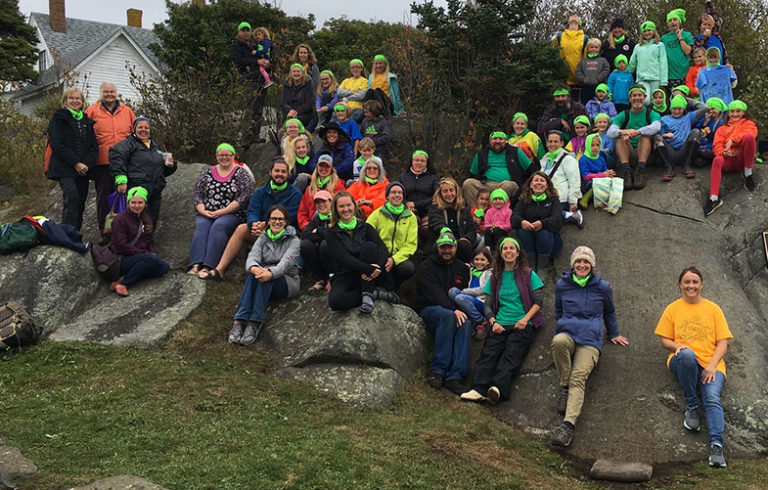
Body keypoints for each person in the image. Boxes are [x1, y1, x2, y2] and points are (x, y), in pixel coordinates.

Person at [549, 246, 628, 447]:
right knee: (558, 342)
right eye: (578, 262)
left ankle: (567, 426)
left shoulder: (602, 287)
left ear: (592, 265)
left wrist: (614, 334)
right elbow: (558, 309)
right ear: (573, 264)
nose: (582, 265)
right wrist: (562, 324)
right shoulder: (562, 285)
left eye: (586, 262)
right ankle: (565, 386)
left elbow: (609, 312)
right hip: (567, 333)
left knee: (579, 376)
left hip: (590, 340)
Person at [654, 266, 732, 468]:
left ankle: (716, 446)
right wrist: (677, 345)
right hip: (682, 361)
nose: (691, 285)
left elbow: (723, 342)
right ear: (680, 285)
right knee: (687, 355)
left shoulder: (714, 309)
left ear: (701, 285)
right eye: (687, 282)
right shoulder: (672, 309)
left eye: (695, 282)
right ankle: (692, 407)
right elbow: (664, 340)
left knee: (712, 398)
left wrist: (712, 366)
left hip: (711, 365)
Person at [460, 237, 544, 404]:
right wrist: (492, 322)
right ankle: (478, 389)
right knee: (488, 354)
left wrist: (524, 320)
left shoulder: (528, 274)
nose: (508, 251)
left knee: (511, 354)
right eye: (505, 248)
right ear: (500, 253)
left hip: (522, 324)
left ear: (518, 253)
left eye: (512, 248)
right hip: (500, 323)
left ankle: (498, 389)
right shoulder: (495, 277)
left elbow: (538, 302)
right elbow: (488, 304)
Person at [203, 157, 302, 280]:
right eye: (277, 171)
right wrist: (254, 224)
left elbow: (290, 217)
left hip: (283, 235)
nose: (279, 174)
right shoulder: (260, 192)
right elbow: (252, 211)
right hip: (260, 231)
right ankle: (219, 270)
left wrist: (266, 225)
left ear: (288, 175)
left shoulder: (295, 194)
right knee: (241, 228)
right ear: (270, 172)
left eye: (283, 172)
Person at [230, 205, 299, 346]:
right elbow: (252, 257)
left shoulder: (294, 241)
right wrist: (254, 268)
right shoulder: (263, 237)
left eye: (281, 219)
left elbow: (285, 264)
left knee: (265, 277)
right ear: (268, 221)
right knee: (254, 275)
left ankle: (254, 322)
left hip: (286, 282)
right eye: (274, 218)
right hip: (264, 276)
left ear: (286, 222)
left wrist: (269, 273)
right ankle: (240, 320)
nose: (277, 222)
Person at [416, 227, 472, 394]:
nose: (447, 250)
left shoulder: (462, 268)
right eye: (443, 247)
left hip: (455, 311)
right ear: (437, 248)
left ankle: (455, 376)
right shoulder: (426, 266)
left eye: (450, 247)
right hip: (429, 309)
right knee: (448, 316)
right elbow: (434, 294)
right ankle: (438, 371)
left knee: (466, 324)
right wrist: (454, 310)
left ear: (455, 247)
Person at [322, 191, 398, 313]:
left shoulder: (365, 227)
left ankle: (367, 294)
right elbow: (342, 257)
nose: (346, 209)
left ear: (354, 206)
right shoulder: (331, 232)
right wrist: (367, 269)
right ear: (335, 209)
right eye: (341, 206)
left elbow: (383, 249)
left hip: (372, 275)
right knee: (335, 302)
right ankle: (374, 293)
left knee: (370, 246)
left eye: (348, 205)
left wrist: (375, 269)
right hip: (347, 273)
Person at [188, 143, 253, 278]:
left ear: (233, 156)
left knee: (219, 226)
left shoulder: (241, 173)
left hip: (232, 213)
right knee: (202, 225)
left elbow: (244, 197)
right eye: (221, 155)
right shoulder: (207, 172)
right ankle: (195, 263)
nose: (224, 158)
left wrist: (222, 212)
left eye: (227, 155)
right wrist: (203, 211)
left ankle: (209, 265)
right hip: (207, 212)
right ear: (217, 156)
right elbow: (197, 194)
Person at [85, 81, 136, 243]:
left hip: (125, 162)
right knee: (104, 199)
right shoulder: (92, 111)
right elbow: (84, 135)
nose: (109, 94)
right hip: (102, 162)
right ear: (101, 93)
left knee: (126, 197)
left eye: (112, 92)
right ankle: (106, 232)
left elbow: (136, 134)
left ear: (116, 93)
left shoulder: (127, 111)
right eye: (106, 92)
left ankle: (125, 232)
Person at [46, 87, 98, 230]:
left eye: (78, 98)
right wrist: (76, 163)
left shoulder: (87, 121)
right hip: (64, 167)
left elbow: (94, 147)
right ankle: (66, 233)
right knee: (72, 196)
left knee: (81, 202)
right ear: (65, 101)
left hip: (83, 170)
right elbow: (57, 144)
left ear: (82, 102)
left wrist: (86, 164)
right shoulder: (59, 118)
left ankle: (75, 234)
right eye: (71, 98)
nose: (75, 101)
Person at [109, 116, 176, 227]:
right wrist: (121, 179)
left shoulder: (155, 147)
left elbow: (163, 170)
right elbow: (117, 159)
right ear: (134, 129)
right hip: (136, 188)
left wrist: (171, 165)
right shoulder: (127, 144)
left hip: (155, 189)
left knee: (151, 221)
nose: (143, 130)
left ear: (150, 130)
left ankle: (146, 242)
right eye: (140, 127)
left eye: (146, 127)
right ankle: (129, 243)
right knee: (133, 220)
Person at [108, 186, 169, 297]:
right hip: (122, 258)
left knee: (164, 267)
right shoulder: (120, 220)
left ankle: (126, 277)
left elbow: (149, 241)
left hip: (141, 257)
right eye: (133, 202)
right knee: (150, 260)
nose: (137, 206)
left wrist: (152, 252)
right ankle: (124, 284)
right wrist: (143, 253)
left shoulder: (147, 220)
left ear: (145, 203)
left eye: (140, 202)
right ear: (128, 203)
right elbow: (120, 245)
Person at [704, 100, 758, 215]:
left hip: (741, 161)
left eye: (738, 111)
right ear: (728, 113)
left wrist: (733, 139)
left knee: (749, 138)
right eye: (732, 112)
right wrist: (723, 152)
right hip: (728, 161)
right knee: (717, 159)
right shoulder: (722, 129)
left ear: (743, 112)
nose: (735, 114)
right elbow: (717, 145)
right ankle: (714, 198)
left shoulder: (748, 123)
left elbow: (752, 133)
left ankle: (748, 173)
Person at [606, 85, 662, 190]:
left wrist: (637, 132)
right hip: (630, 153)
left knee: (644, 136)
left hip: (647, 154)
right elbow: (610, 132)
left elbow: (656, 126)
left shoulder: (651, 113)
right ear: (630, 98)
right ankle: (627, 171)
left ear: (644, 97)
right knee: (620, 137)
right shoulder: (624, 115)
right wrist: (625, 131)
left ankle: (641, 170)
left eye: (640, 95)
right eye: (634, 95)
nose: (637, 98)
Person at [463, 129, 536, 207]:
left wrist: (526, 188)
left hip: (506, 185)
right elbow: (472, 174)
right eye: (494, 139)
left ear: (505, 140)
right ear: (490, 141)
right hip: (485, 185)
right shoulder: (481, 154)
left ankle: (495, 213)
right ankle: (476, 213)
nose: (497, 141)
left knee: (509, 185)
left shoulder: (516, 152)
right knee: (468, 183)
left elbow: (532, 170)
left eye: (501, 139)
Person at [366, 182, 418, 289]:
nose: (397, 195)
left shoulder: (411, 217)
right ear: (387, 196)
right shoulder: (377, 214)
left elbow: (411, 244)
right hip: (380, 255)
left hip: (398, 258)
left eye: (400, 192)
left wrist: (394, 259)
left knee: (408, 268)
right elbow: (367, 233)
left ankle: (394, 288)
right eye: (393, 192)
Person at [510, 172, 563, 270]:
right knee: (522, 230)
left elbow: (558, 218)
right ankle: (529, 264)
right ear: (530, 184)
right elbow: (514, 217)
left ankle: (543, 266)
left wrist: (542, 223)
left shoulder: (553, 200)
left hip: (548, 240)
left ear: (547, 185)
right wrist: (522, 222)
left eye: (542, 181)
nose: (539, 183)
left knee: (543, 232)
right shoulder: (523, 200)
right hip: (528, 239)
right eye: (536, 180)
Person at [230, 22, 269, 147]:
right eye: (243, 30)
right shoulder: (236, 46)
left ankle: (255, 135)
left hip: (260, 79)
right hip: (247, 79)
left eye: (248, 30)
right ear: (239, 32)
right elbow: (238, 61)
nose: (246, 32)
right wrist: (257, 61)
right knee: (250, 107)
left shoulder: (255, 45)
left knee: (259, 108)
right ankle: (246, 138)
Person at [658, 95, 708, 181]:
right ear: (670, 109)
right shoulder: (663, 119)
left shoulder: (689, 117)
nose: (677, 111)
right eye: (674, 108)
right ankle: (669, 167)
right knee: (657, 138)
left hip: (685, 151)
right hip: (670, 152)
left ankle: (686, 164)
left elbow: (705, 108)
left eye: (680, 109)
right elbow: (659, 136)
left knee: (695, 132)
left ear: (684, 109)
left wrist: (687, 100)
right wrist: (665, 135)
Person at [428, 177, 476, 263]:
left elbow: (472, 229)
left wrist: (467, 238)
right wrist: (448, 234)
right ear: (440, 193)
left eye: (451, 190)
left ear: (456, 191)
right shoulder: (435, 209)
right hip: (443, 242)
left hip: (460, 245)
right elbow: (437, 223)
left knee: (464, 246)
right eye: (445, 191)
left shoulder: (464, 210)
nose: (449, 194)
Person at [541, 131, 583, 228]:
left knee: (540, 211)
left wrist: (573, 202)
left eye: (556, 142)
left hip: (560, 199)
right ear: (547, 143)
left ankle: (569, 214)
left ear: (562, 143)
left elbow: (575, 181)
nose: (553, 144)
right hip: (545, 197)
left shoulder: (568, 159)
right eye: (550, 141)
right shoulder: (545, 158)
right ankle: (565, 215)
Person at [449, 247, 493, 340]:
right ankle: (468, 318)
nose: (479, 262)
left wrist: (465, 292)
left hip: (482, 301)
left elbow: (483, 289)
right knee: (452, 291)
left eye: (482, 260)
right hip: (470, 299)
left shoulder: (489, 273)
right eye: (476, 259)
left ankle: (481, 321)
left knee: (460, 298)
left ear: (488, 262)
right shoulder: (472, 270)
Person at [297, 154, 346, 230]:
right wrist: (307, 226)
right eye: (321, 166)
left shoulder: (338, 186)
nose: (323, 169)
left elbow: (343, 208)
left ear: (331, 169)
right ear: (317, 167)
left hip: (331, 226)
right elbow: (302, 212)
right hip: (312, 227)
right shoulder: (310, 189)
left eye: (327, 166)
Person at [300, 190, 334, 293]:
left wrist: (318, 231)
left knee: (325, 245)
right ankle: (320, 279)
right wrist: (322, 234)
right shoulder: (317, 218)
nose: (321, 205)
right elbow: (304, 234)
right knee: (305, 245)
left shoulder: (337, 216)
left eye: (324, 201)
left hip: (336, 255)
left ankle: (332, 279)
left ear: (331, 202)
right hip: (320, 253)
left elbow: (333, 236)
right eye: (318, 202)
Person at [628, 22, 668, 106]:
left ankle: (654, 118)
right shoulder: (638, 47)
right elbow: (632, 63)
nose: (647, 33)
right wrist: (625, 72)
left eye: (649, 30)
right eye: (644, 31)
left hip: (655, 78)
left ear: (654, 31)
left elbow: (663, 63)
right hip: (642, 78)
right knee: (645, 101)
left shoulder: (660, 45)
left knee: (656, 101)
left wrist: (663, 81)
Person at [399, 150, 438, 230]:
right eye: (416, 160)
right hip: (407, 209)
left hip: (428, 209)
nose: (419, 163)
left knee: (426, 227)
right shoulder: (403, 177)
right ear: (412, 161)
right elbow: (398, 194)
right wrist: (406, 203)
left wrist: (416, 204)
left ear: (427, 163)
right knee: (410, 224)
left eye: (422, 161)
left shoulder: (433, 178)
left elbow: (436, 196)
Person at [555, 14, 589, 100]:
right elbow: (553, 54)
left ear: (580, 24)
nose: (574, 16)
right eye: (572, 17)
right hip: (562, 78)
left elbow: (587, 59)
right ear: (567, 23)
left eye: (577, 17)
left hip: (577, 80)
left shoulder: (585, 38)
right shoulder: (559, 37)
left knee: (575, 106)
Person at [661, 9, 694, 90]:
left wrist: (680, 37)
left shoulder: (687, 35)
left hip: (685, 74)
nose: (673, 22)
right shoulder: (664, 38)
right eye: (670, 20)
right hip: (670, 76)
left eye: (675, 19)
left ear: (679, 21)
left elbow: (688, 51)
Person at [693, 97, 727, 168]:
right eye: (709, 109)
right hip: (702, 144)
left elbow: (720, 137)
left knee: (702, 152)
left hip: (712, 146)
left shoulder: (721, 122)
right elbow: (695, 129)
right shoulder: (705, 118)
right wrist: (704, 123)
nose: (711, 111)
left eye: (713, 109)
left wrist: (710, 133)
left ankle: (710, 158)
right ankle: (705, 159)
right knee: (697, 162)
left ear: (719, 109)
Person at [576, 38, 610, 106]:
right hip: (585, 87)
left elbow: (606, 70)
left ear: (599, 49)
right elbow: (578, 71)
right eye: (591, 47)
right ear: (588, 49)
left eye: (596, 47)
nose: (594, 49)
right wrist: (583, 79)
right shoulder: (583, 61)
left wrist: (598, 78)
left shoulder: (603, 60)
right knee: (585, 105)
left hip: (598, 87)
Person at [281, 63, 316, 130]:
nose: (296, 73)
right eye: (294, 71)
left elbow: (310, 102)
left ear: (302, 73)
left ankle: (280, 134)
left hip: (304, 113)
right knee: (289, 118)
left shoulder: (308, 84)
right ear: (291, 73)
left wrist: (296, 111)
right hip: (289, 112)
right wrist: (290, 110)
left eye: (298, 71)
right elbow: (283, 102)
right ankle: (282, 136)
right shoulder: (286, 85)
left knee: (293, 120)